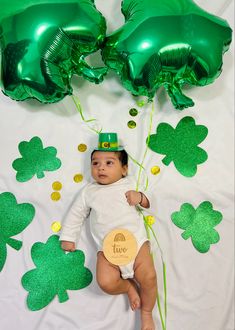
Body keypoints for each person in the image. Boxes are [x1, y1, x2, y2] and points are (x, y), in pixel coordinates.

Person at [60, 132, 157, 330]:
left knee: (149, 277)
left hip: (136, 243)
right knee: (105, 282)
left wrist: (140, 197)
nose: (101, 167)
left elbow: (149, 203)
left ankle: (146, 313)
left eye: (109, 163)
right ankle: (128, 286)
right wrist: (69, 237)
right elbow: (75, 215)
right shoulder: (89, 192)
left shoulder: (129, 184)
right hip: (108, 249)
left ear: (124, 169)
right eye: (95, 163)